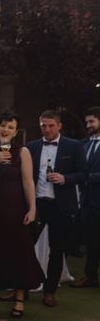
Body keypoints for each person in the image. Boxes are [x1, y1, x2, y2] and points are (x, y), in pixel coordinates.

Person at [0, 110, 44, 317]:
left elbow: (28, 181)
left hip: (17, 211)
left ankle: (19, 298)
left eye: (10, 127)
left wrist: (32, 208)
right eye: (3, 125)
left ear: (15, 132)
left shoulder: (22, 152)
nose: (6, 130)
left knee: (21, 254)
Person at [26, 110, 86, 307]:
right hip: (36, 204)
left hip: (60, 206)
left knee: (57, 250)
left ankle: (49, 291)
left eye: (51, 125)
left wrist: (65, 179)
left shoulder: (74, 146)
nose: (47, 129)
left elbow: (83, 174)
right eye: (43, 125)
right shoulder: (32, 147)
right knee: (26, 247)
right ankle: (23, 289)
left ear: (59, 126)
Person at [71, 107, 100, 288]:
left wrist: (86, 177)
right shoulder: (82, 144)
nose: (88, 125)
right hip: (88, 201)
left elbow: (85, 174)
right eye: (87, 121)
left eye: (92, 121)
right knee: (92, 241)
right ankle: (91, 276)